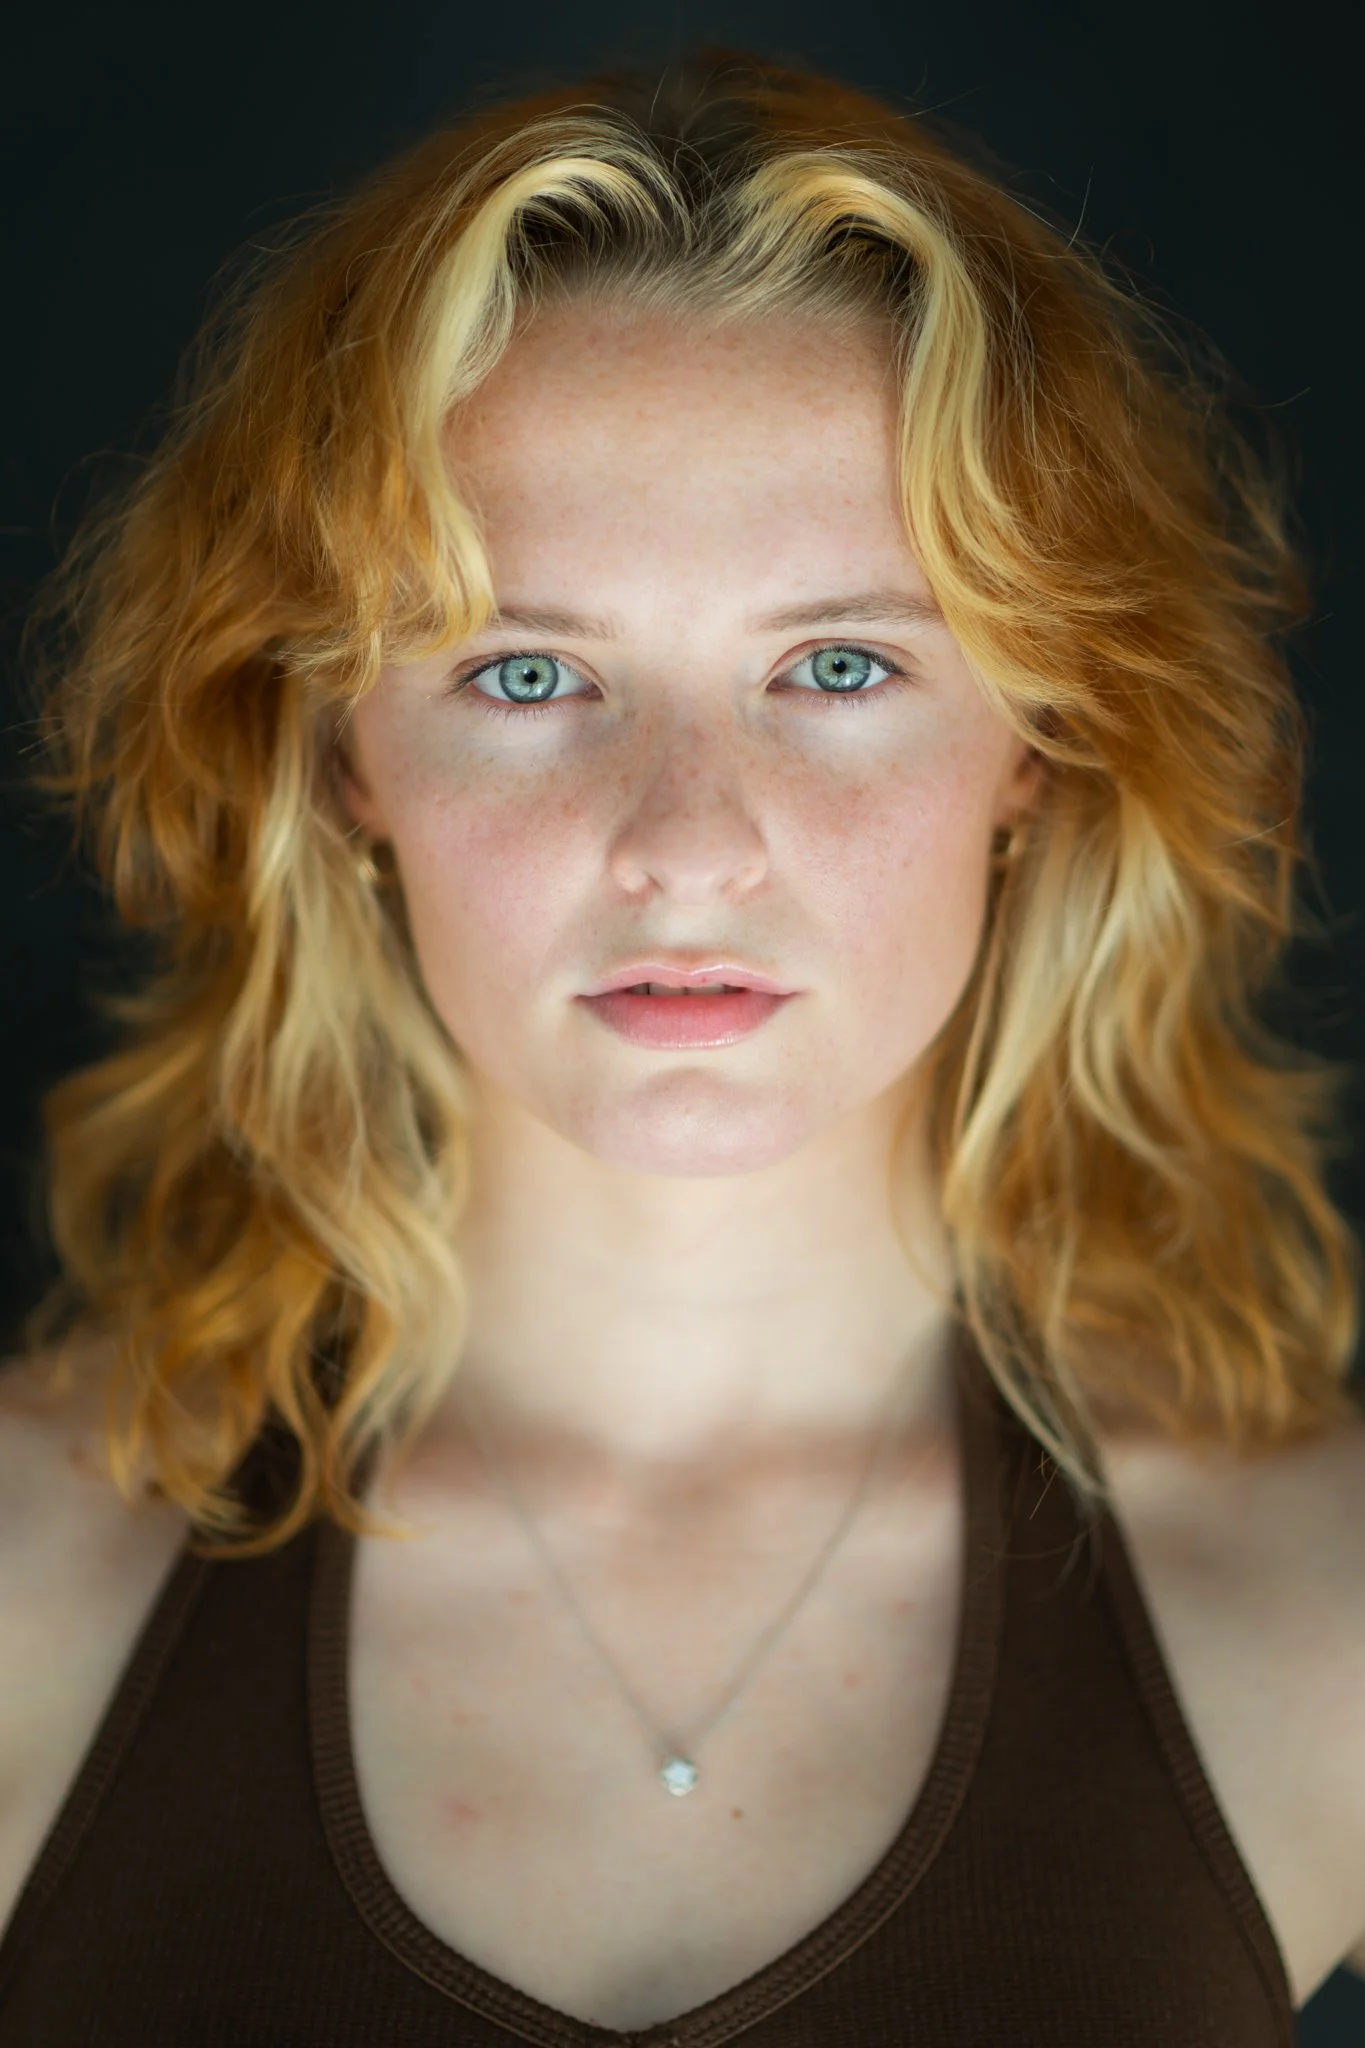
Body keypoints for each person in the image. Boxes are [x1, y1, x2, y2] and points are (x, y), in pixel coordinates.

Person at [1, 44, 1363, 2045]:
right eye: (528, 671)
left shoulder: (1320, 1606)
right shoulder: (32, 1578)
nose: (686, 844)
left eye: (836, 665)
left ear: (1039, 747)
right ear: (340, 754)